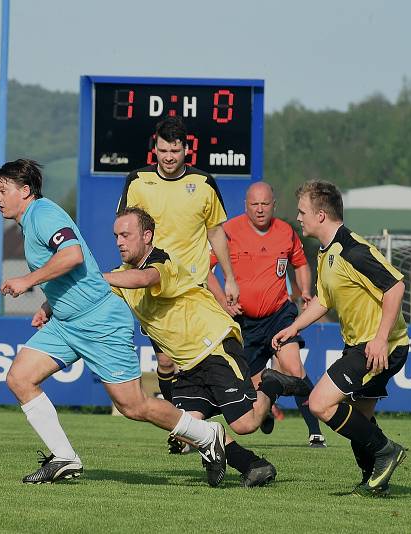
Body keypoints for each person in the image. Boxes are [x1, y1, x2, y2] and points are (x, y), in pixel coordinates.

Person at [0, 158, 227, 486]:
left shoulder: (43, 213)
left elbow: (72, 255)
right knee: (20, 378)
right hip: (66, 322)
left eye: (3, 190)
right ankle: (64, 457)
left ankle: (206, 434)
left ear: (26, 190)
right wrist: (49, 304)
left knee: (133, 406)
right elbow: (78, 270)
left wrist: (27, 280)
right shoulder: (31, 219)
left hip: (98, 321)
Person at [105, 206, 312, 486]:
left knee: (245, 424)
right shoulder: (122, 275)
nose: (119, 241)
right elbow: (92, 292)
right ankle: (254, 466)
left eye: (126, 235)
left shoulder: (160, 262)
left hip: (214, 346)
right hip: (189, 364)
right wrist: (50, 306)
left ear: (147, 236)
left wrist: (99, 278)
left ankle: (271, 383)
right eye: (116, 235)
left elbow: (144, 279)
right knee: (185, 429)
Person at [272, 179, 409, 497]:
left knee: (320, 403)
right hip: (363, 344)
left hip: (380, 346)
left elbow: (395, 286)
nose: (299, 217)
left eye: (302, 211)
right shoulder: (327, 252)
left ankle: (386, 451)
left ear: (321, 215)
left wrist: (379, 338)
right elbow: (323, 300)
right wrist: (294, 328)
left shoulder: (352, 250)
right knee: (359, 417)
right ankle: (375, 477)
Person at [117, 116, 240, 409]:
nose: (169, 157)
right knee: (165, 361)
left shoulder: (203, 183)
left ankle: (186, 427)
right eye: (163, 151)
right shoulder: (138, 181)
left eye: (175, 151)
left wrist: (230, 277)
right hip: (155, 285)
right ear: (154, 150)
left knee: (193, 358)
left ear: (186, 150)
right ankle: (180, 422)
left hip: (193, 288)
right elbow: (126, 227)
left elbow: (215, 232)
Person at [214, 182, 326, 447]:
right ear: (245, 206)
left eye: (265, 204)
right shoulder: (229, 231)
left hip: (279, 315)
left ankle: (315, 430)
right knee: (251, 385)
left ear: (274, 205)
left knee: (294, 367)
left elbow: (300, 264)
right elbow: (205, 271)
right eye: (255, 204)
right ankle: (265, 407)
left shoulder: (285, 231)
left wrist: (306, 291)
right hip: (245, 322)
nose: (260, 209)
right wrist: (223, 302)